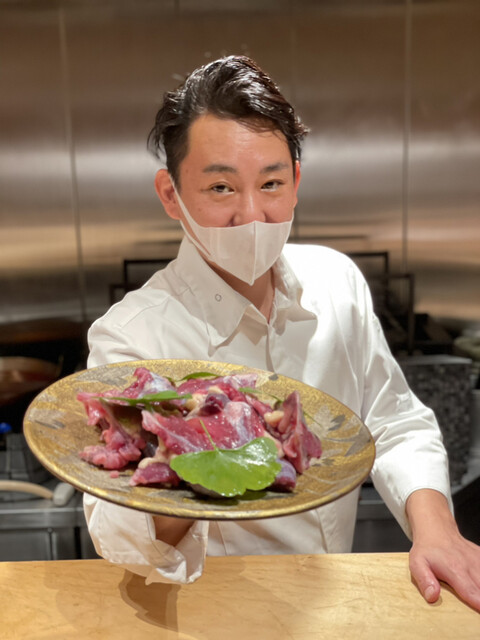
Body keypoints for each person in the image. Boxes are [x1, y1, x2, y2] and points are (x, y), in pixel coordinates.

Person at [84, 55, 480, 610]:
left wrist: (437, 531)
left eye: (271, 183)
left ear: (296, 182)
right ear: (171, 194)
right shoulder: (132, 337)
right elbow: (116, 532)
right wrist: (191, 446)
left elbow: (392, 419)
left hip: (332, 607)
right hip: (216, 616)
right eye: (221, 187)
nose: (252, 215)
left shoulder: (336, 281)